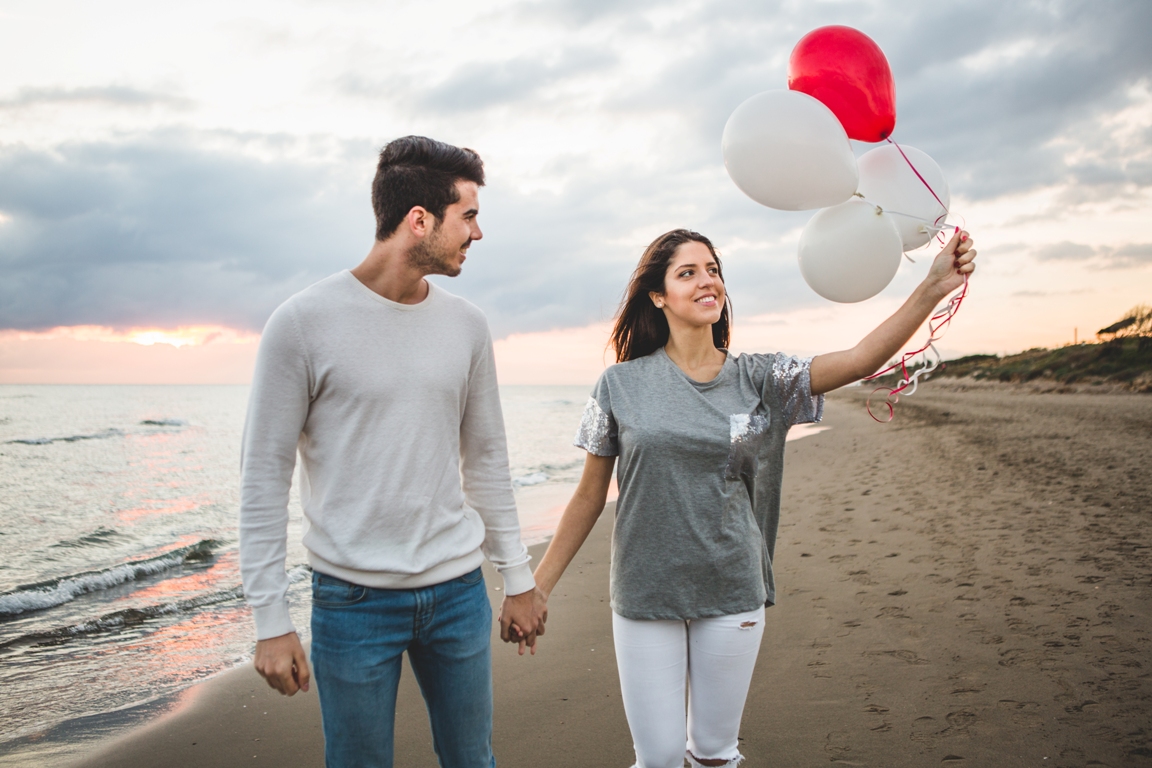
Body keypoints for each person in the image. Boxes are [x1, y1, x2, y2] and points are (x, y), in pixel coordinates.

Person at [525, 227, 976, 767]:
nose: (706, 280)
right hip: (646, 593)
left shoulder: (761, 379)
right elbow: (587, 497)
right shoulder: (619, 385)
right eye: (687, 272)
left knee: (715, 753)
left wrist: (931, 289)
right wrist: (537, 588)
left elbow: (858, 359)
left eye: (712, 269)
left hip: (733, 586)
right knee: (660, 758)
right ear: (658, 295)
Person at [239, 135, 546, 768]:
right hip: (351, 602)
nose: (478, 233)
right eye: (468, 215)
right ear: (419, 221)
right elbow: (263, 476)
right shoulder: (301, 323)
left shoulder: (467, 325)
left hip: (458, 591)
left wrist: (517, 579)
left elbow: (486, 460)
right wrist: (271, 618)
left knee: (473, 762)